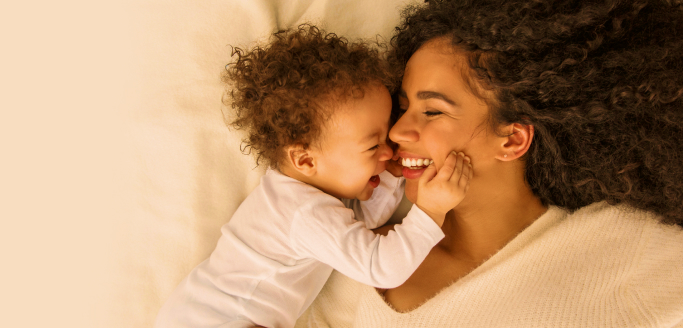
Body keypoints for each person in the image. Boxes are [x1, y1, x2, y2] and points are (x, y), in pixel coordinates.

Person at [296, 0, 683, 326]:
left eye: (432, 111)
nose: (397, 132)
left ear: (512, 138)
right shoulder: (359, 247)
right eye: (402, 107)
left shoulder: (621, 246)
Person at [153, 25, 473, 328]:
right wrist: (431, 211)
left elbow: (359, 230)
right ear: (305, 158)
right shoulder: (303, 212)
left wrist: (392, 176)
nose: (388, 151)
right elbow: (379, 266)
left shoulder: (301, 195)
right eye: (373, 145)